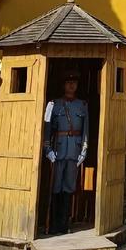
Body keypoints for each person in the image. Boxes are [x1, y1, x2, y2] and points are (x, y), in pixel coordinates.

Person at [44, 71, 89, 235]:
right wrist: (48, 149)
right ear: (63, 85)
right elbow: (47, 128)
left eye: (74, 82)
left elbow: (85, 129)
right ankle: (54, 224)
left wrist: (84, 149)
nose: (71, 85)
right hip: (58, 150)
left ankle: (64, 223)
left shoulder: (82, 105)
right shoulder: (53, 104)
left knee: (69, 187)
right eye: (68, 82)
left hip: (74, 151)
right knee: (55, 187)